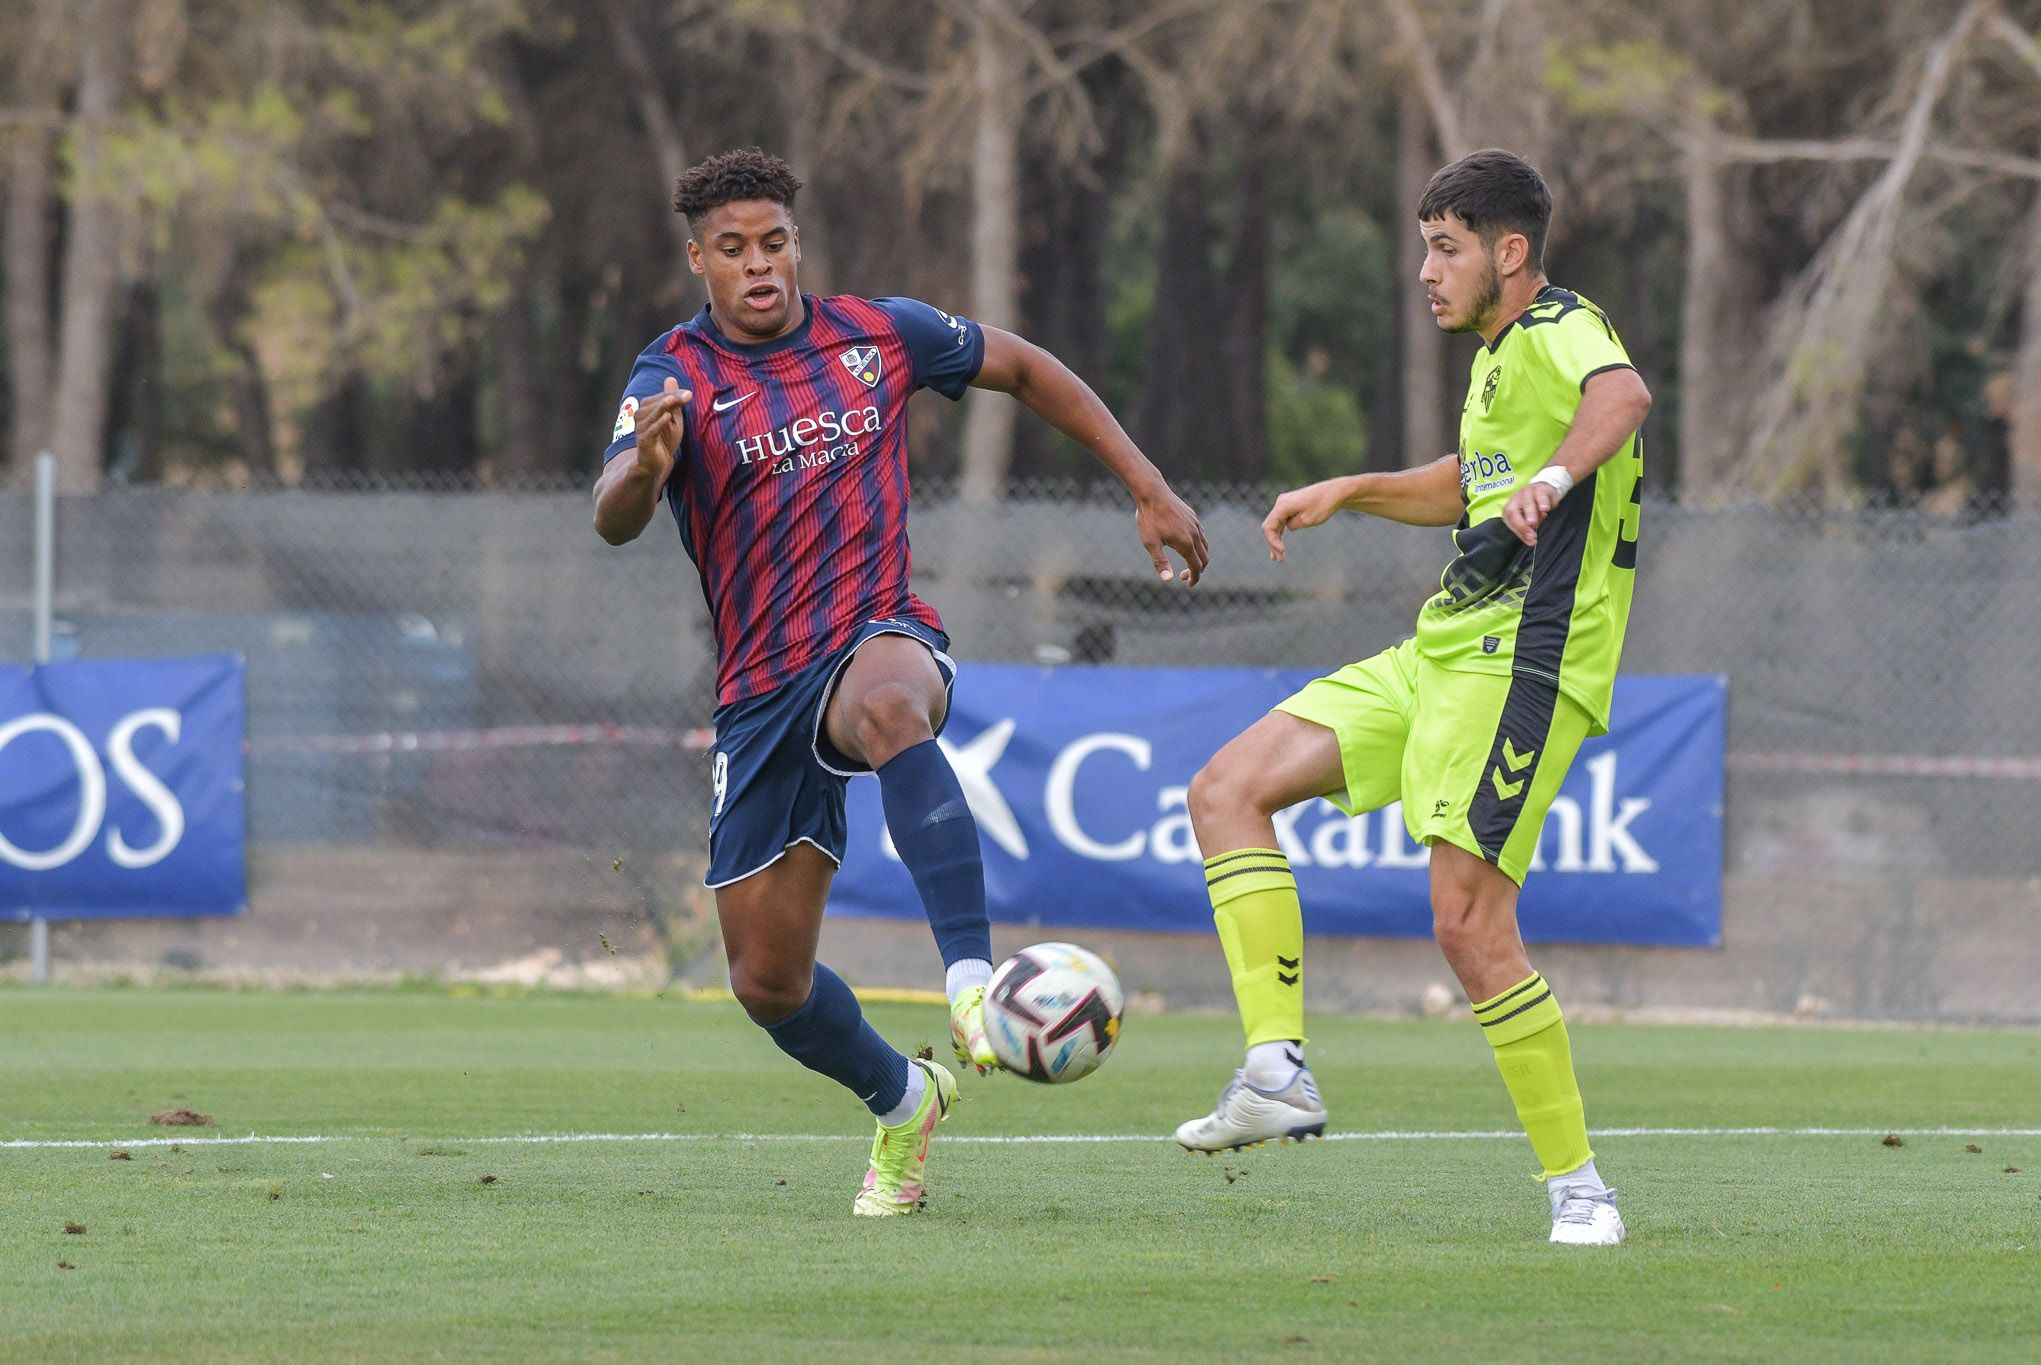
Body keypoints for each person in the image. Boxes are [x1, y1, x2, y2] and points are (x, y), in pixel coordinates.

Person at [593, 148, 1207, 1217]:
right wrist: (643, 471)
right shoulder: (672, 376)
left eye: (773, 243)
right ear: (698, 259)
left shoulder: (878, 336)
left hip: (878, 632)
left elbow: (1021, 367)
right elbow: (610, 513)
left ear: (797, 245)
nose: (758, 267)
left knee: (887, 701)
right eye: (731, 250)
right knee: (765, 984)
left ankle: (969, 983)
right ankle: (902, 1097)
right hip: (760, 693)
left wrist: (1145, 484)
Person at [1171, 148, 1649, 1247]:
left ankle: (1578, 1188)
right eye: (1424, 246)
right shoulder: (1495, 363)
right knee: (1225, 788)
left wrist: (1553, 478)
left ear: (1508, 253)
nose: (1423, 270)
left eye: (1445, 248)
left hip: (1522, 663)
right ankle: (1274, 1068)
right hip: (1439, 652)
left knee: (1466, 923)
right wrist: (1350, 489)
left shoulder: (1555, 327)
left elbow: (1619, 397)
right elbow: (1465, 482)